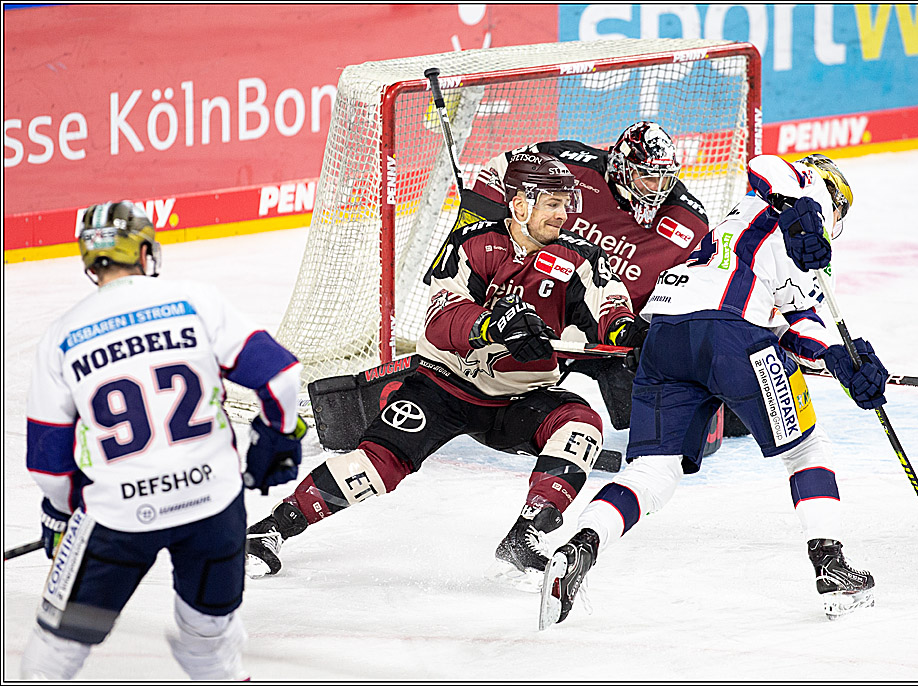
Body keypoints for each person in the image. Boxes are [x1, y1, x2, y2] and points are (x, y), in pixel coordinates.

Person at [245, 153, 638, 583]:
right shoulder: (471, 244)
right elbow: (441, 319)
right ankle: (270, 531)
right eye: (553, 204)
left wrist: (627, 335)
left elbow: (611, 307)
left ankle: (525, 537)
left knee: (582, 424)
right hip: (445, 386)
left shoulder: (581, 259)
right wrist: (492, 324)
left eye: (567, 204)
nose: (564, 215)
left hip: (521, 401)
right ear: (521, 204)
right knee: (376, 466)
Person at [539, 153, 887, 627]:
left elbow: (798, 324)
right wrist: (799, 203)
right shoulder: (800, 200)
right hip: (729, 336)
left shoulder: (750, 220)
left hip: (663, 338)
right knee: (807, 449)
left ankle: (583, 545)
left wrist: (842, 361)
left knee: (653, 472)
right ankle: (831, 568)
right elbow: (765, 163)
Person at [20, 201, 305, 680]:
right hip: (212, 507)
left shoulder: (61, 336)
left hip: (118, 518)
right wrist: (274, 439)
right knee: (209, 640)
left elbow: (49, 465)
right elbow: (281, 377)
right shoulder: (195, 301)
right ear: (144, 249)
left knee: (59, 646)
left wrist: (61, 516)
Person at [473, 121, 720, 433]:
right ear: (619, 166)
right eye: (646, 176)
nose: (656, 188)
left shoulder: (689, 222)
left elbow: (694, 288)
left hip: (613, 336)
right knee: (491, 391)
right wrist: (481, 232)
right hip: (535, 311)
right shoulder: (568, 164)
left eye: (664, 178)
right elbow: (498, 170)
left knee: (665, 427)